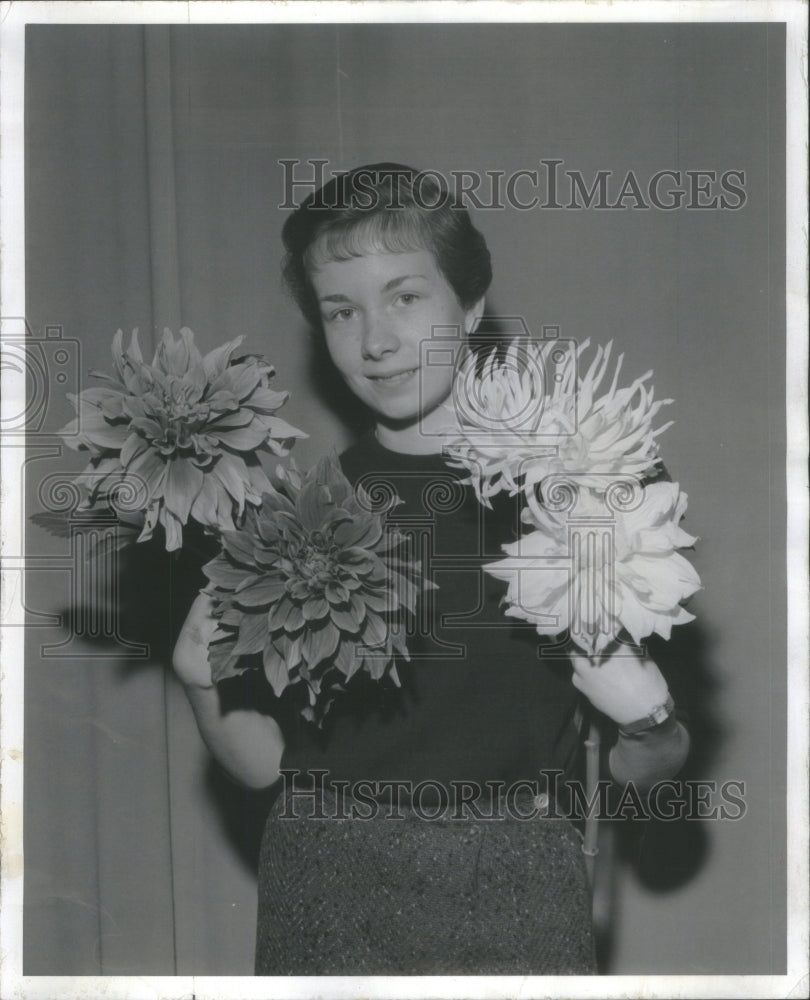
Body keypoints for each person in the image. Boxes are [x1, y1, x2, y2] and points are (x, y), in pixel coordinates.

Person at [172, 163, 691, 975]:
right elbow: (266, 767)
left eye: (406, 298)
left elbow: (649, 773)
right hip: (324, 892)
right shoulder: (295, 512)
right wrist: (200, 683)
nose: (374, 341)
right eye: (341, 311)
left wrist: (651, 722)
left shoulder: (579, 492)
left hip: (518, 889)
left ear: (471, 307)